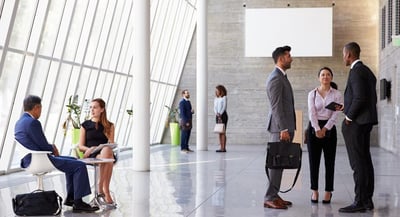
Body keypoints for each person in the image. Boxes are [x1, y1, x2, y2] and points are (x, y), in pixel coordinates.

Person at [14, 95, 99, 213]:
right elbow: (43, 145)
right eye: (41, 108)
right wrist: (53, 148)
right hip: (39, 159)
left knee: (74, 161)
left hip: (32, 159)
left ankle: (71, 198)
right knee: (79, 165)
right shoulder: (33, 122)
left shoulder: (20, 122)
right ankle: (78, 202)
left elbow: (37, 143)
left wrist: (50, 148)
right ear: (36, 107)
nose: (41, 111)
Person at [339, 42, 378, 213]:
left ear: (349, 55)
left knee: (358, 164)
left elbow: (360, 98)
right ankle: (367, 200)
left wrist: (348, 117)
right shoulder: (367, 71)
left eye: (343, 54)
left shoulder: (356, 72)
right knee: (365, 161)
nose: (343, 58)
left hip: (357, 123)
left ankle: (360, 201)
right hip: (365, 122)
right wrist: (346, 108)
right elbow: (365, 97)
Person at [264, 45, 296, 209]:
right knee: (276, 163)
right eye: (289, 56)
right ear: (281, 58)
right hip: (279, 128)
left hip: (284, 127)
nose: (291, 58)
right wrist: (283, 128)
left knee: (281, 162)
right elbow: (276, 107)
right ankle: (269, 196)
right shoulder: (276, 78)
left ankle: (274, 195)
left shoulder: (282, 76)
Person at [307, 67, 342, 204]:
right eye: (322, 74)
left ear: (331, 77)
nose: (325, 77)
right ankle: (314, 191)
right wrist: (317, 129)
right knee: (313, 162)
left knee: (329, 162)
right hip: (314, 129)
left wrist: (325, 129)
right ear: (319, 77)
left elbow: (335, 114)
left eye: (328, 75)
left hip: (330, 129)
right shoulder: (312, 94)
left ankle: (328, 191)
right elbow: (311, 113)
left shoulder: (337, 94)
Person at [78, 98, 116, 207]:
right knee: (108, 157)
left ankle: (102, 188)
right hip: (90, 154)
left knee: (107, 151)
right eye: (91, 107)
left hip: (104, 153)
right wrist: (90, 149)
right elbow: (80, 146)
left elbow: (111, 144)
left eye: (95, 107)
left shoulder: (110, 125)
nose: (92, 110)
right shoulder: (85, 125)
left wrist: (102, 146)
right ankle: (104, 190)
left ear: (102, 109)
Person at [214, 85, 228, 152]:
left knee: (223, 132)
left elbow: (224, 107)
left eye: (217, 90)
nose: (216, 91)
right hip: (217, 115)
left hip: (223, 115)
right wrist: (216, 113)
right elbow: (214, 107)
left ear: (220, 90)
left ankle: (223, 148)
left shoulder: (224, 97)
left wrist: (220, 114)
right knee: (219, 131)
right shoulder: (216, 98)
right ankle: (220, 147)